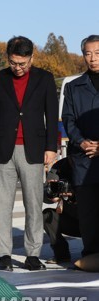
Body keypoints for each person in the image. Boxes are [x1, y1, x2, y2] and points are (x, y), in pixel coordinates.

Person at [0, 36, 59, 271]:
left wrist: (51, 147)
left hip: (34, 150)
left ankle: (33, 254)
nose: (18, 68)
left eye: (23, 63)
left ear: (32, 58)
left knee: (34, 205)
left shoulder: (45, 79)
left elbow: (52, 115)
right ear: (8, 58)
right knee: (3, 205)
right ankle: (4, 255)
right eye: (14, 63)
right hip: (3, 150)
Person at [62, 34, 99, 257]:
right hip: (84, 159)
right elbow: (68, 119)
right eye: (88, 54)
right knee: (88, 211)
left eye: (97, 53)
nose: (92, 58)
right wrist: (81, 142)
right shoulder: (74, 87)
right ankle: (91, 254)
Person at [42, 157, 80, 264]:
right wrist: (51, 195)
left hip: (92, 222)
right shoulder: (59, 167)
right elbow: (45, 192)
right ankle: (61, 254)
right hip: (73, 220)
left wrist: (75, 195)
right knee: (47, 216)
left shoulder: (93, 166)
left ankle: (92, 253)